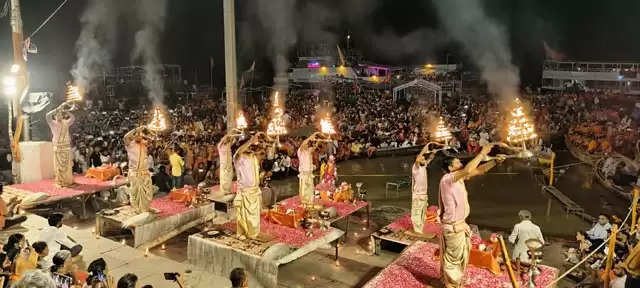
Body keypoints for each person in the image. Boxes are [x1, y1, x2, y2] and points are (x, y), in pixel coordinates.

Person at [439, 144, 502, 288]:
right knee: (454, 259)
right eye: (457, 162)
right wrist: (482, 153)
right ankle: (452, 285)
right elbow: (468, 169)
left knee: (460, 257)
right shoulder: (448, 179)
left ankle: (454, 282)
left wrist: (495, 162)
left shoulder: (458, 178)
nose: (461, 164)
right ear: (450, 168)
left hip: (460, 224)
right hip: (453, 227)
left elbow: (479, 170)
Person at [124, 127, 156, 213]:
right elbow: (125, 137)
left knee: (148, 192)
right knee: (136, 193)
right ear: (134, 136)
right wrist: (136, 129)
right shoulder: (129, 144)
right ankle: (138, 210)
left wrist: (149, 131)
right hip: (135, 173)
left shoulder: (144, 143)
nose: (139, 136)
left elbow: (154, 138)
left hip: (145, 172)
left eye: (141, 135)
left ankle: (146, 207)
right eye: (137, 135)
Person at [46, 101, 76, 187]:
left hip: (66, 148)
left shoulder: (66, 123)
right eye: (57, 114)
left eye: (60, 114)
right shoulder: (53, 123)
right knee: (59, 167)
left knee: (67, 166)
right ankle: (60, 181)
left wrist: (66, 111)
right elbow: (47, 116)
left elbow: (73, 118)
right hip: (58, 148)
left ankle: (68, 180)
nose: (59, 115)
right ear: (55, 116)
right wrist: (58, 109)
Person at [410, 150, 435, 235]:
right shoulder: (415, 167)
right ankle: (417, 230)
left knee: (423, 212)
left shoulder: (423, 166)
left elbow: (430, 159)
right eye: (422, 158)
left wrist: (433, 153)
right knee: (417, 212)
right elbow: (418, 160)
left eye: (424, 158)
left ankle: (420, 228)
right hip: (418, 194)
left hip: (424, 194)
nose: (424, 159)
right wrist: (424, 150)